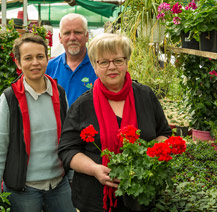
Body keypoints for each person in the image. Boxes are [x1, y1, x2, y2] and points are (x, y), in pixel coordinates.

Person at [58, 33, 172, 212]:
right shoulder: (83, 105)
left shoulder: (145, 96)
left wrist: (148, 158)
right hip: (95, 200)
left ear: (126, 62)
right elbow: (67, 150)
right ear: (95, 67)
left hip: (141, 198)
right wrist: (94, 169)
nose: (112, 67)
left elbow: (164, 133)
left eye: (118, 60)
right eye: (103, 62)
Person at [0, 34, 76, 212]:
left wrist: (72, 176)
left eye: (40, 56)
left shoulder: (59, 93)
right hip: (23, 189)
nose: (35, 62)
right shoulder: (9, 99)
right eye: (28, 58)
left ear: (47, 59)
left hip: (59, 184)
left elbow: (68, 139)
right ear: (18, 63)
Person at [46, 13, 97, 106]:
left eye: (77, 32)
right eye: (67, 33)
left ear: (86, 36)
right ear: (60, 38)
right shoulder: (49, 67)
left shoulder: (99, 65)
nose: (72, 38)